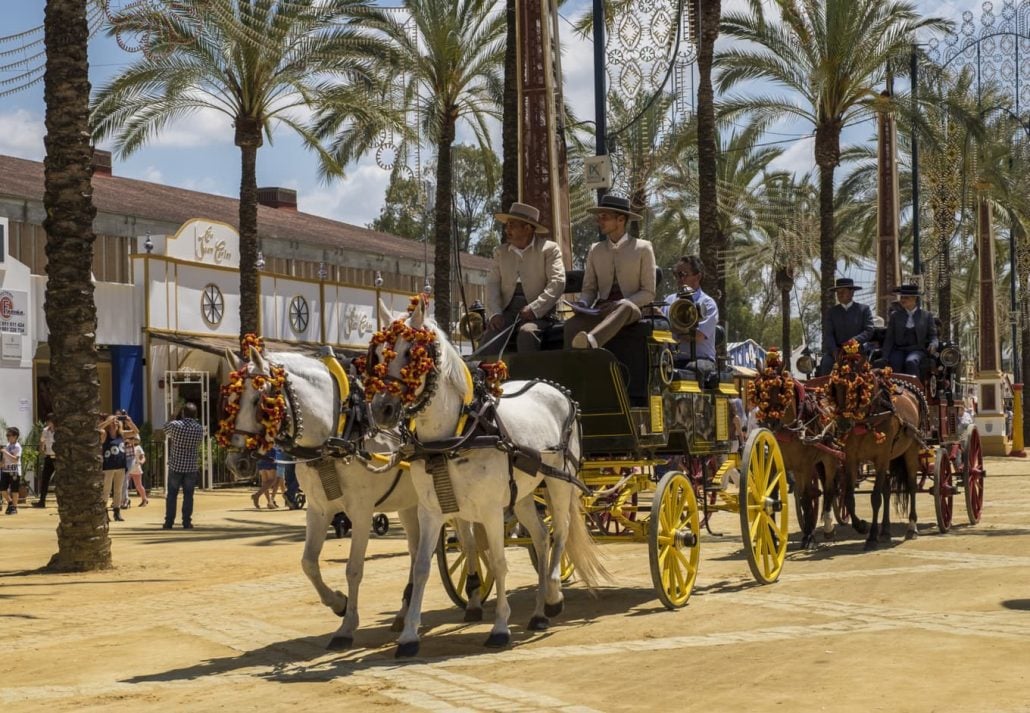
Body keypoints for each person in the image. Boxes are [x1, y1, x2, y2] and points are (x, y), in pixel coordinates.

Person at [564, 194, 656, 349]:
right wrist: (582, 303)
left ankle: (591, 341)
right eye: (599, 217)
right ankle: (569, 368)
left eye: (604, 217)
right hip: (602, 308)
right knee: (571, 325)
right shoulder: (595, 250)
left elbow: (648, 292)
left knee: (625, 306)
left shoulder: (643, 248)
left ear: (620, 220)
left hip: (630, 309)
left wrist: (620, 303)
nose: (599, 221)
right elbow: (589, 289)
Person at [478, 201, 565, 355]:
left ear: (527, 228)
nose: (507, 229)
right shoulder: (501, 252)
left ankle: (529, 376)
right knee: (490, 336)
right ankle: (483, 374)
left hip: (540, 313)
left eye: (512, 225)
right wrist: (495, 313)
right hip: (507, 311)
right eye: (507, 225)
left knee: (527, 333)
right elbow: (492, 284)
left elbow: (558, 282)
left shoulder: (549, 249)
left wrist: (535, 308)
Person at [663, 255, 718, 372]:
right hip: (673, 359)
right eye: (676, 274)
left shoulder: (708, 304)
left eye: (683, 274)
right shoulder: (668, 301)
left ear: (698, 276)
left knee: (693, 368)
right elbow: (661, 332)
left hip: (701, 360)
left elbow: (698, 336)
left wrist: (671, 330)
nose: (679, 278)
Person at [818, 277, 875, 376]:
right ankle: (824, 390)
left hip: (858, 352)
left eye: (843, 291)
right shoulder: (832, 312)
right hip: (837, 352)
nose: (839, 294)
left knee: (866, 372)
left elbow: (869, 330)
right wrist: (834, 351)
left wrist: (854, 341)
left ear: (852, 292)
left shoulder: (864, 310)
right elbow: (828, 334)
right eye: (838, 292)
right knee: (826, 364)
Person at [162, 402, 205, 529]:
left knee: (172, 495)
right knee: (188, 495)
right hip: (191, 466)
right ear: (195, 414)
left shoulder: (176, 425)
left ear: (183, 413)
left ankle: (169, 522)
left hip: (176, 465)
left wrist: (173, 416)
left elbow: (165, 428)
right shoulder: (199, 428)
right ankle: (186, 521)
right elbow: (198, 442)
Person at [882, 283, 939, 377]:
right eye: (902, 297)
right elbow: (889, 338)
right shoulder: (895, 316)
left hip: (917, 350)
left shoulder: (926, 316)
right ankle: (895, 389)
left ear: (914, 298)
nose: (902, 300)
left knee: (911, 361)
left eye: (906, 297)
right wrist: (884, 356)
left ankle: (914, 390)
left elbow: (933, 336)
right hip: (899, 349)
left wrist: (933, 344)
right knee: (894, 362)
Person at [99, 414, 127, 522]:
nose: (115, 422)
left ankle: (117, 512)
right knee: (106, 490)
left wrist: (128, 421)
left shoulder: (121, 434)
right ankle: (103, 513)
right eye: (113, 421)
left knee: (118, 490)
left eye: (116, 421)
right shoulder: (104, 434)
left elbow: (136, 432)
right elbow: (97, 428)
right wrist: (108, 421)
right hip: (108, 466)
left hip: (120, 466)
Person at [33, 414, 56, 508]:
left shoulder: (59, 431)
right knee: (45, 479)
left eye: (49, 421)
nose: (48, 423)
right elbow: (42, 441)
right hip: (48, 456)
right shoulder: (45, 430)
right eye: (47, 421)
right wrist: (42, 447)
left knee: (62, 480)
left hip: (58, 458)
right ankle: (42, 501)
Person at [2, 427, 23, 515]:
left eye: (9, 435)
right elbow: (4, 458)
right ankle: (10, 503)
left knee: (14, 490)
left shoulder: (18, 447)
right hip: (5, 470)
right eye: (7, 435)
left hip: (14, 471)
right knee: (2, 489)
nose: (7, 437)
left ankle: (14, 507)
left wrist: (5, 452)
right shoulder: (7, 445)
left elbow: (15, 460)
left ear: (15, 436)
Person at [126, 435, 148, 507]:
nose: (133, 440)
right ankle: (125, 500)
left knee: (138, 486)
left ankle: (144, 499)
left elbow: (143, 457)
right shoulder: (127, 447)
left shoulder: (138, 447)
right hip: (128, 469)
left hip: (136, 468)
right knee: (125, 485)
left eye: (134, 439)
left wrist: (142, 461)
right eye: (131, 438)